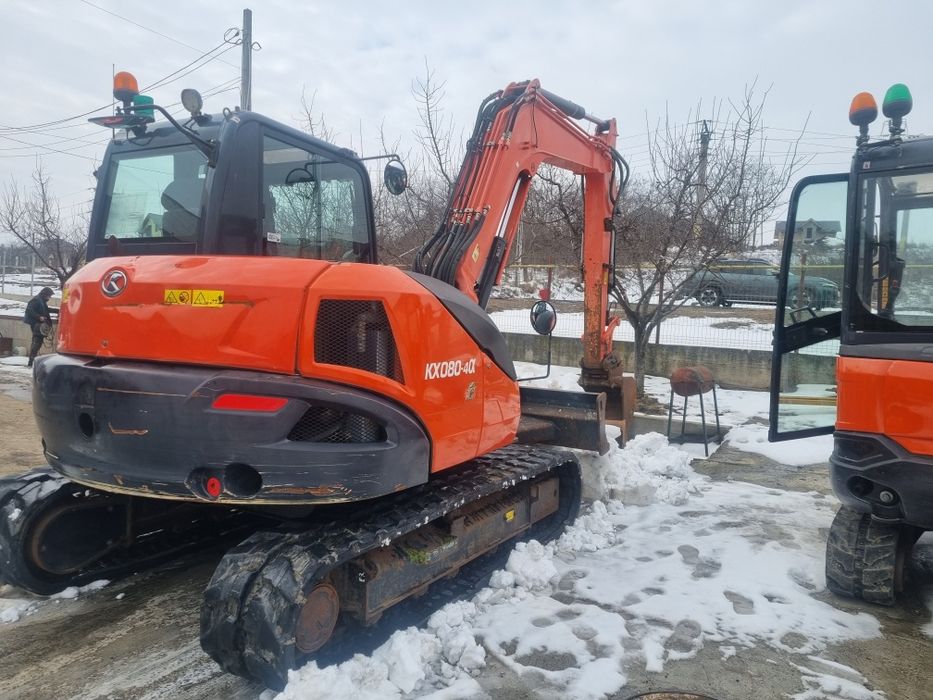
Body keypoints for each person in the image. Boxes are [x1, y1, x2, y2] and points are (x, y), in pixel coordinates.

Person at [23, 287, 56, 368]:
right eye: (49, 295)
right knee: (36, 342)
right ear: (45, 294)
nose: (49, 297)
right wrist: (39, 317)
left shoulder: (41, 301)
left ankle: (32, 360)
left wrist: (59, 310)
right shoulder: (36, 300)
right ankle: (31, 361)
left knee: (37, 342)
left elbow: (47, 310)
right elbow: (29, 310)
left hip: (38, 324)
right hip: (37, 324)